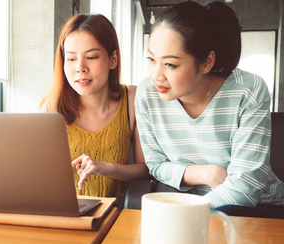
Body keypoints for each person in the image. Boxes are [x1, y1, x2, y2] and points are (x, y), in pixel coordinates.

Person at [135, 1, 284, 217]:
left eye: (170, 64)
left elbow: (246, 187)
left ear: (206, 62)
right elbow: (156, 165)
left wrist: (184, 216)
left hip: (260, 210)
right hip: (190, 209)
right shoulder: (147, 94)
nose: (156, 75)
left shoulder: (249, 90)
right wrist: (204, 173)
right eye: (151, 59)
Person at [40, 13, 150, 205]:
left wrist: (107, 167)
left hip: (115, 216)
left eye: (91, 57)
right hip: (64, 212)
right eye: (71, 59)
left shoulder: (133, 99)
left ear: (113, 60)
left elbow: (145, 168)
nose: (80, 68)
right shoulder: (51, 107)